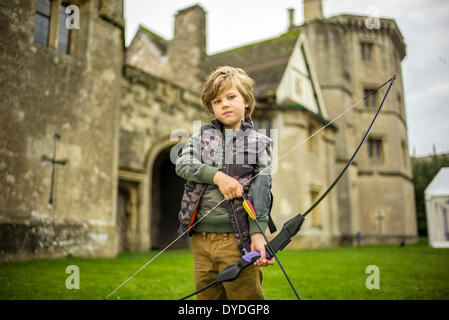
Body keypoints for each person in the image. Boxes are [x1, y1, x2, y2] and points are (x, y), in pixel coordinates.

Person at [175, 66, 275, 300]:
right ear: (211, 107)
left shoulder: (260, 142)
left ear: (247, 102)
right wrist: (218, 177)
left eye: (231, 97)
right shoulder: (200, 138)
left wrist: (257, 234)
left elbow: (262, 189)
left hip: (237, 240)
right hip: (201, 240)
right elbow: (182, 164)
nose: (225, 104)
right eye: (217, 101)